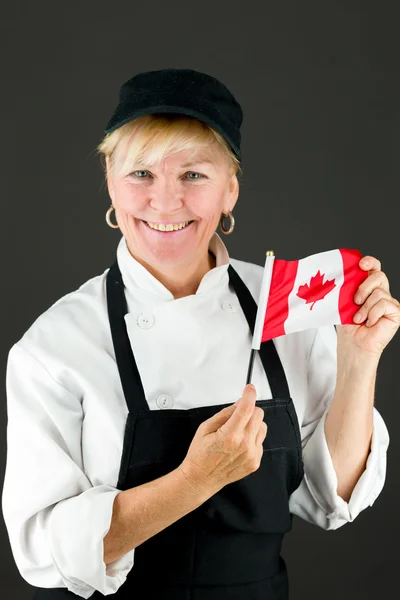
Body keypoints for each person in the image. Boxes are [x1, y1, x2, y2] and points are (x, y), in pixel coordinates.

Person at [1, 68, 392, 600]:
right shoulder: (56, 345)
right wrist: (195, 480)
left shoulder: (289, 308)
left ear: (230, 189)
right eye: (141, 174)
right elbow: (43, 549)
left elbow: (331, 497)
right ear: (110, 179)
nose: (165, 203)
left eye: (193, 175)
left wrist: (359, 358)